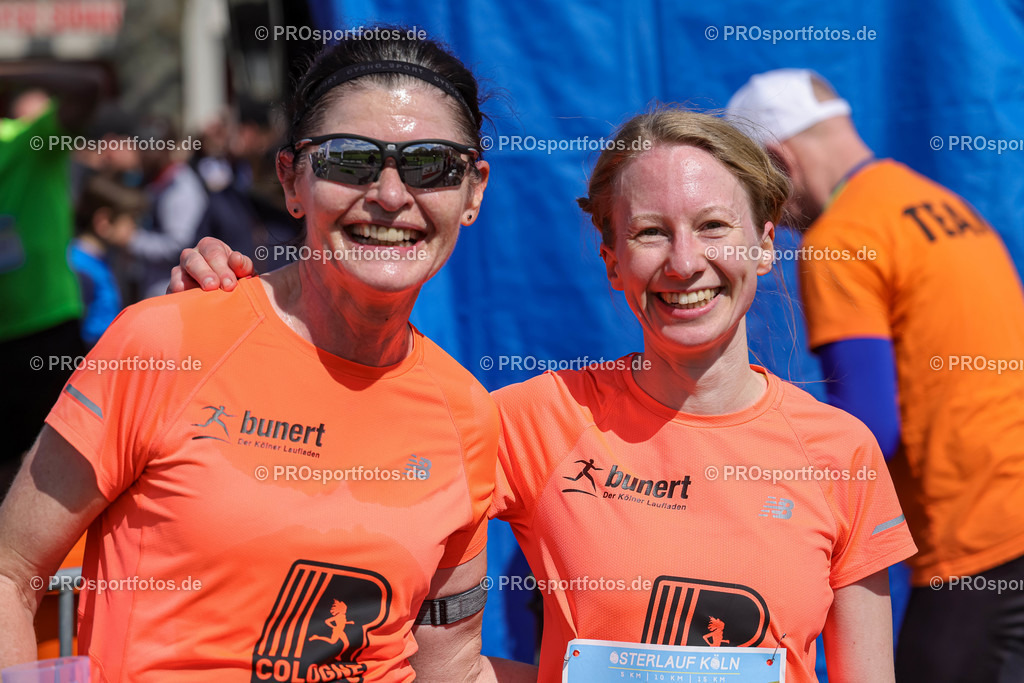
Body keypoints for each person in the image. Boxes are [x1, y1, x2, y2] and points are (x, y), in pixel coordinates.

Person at [172, 106, 917, 682]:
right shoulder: (543, 417)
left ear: (761, 239)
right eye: (651, 232)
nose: (685, 263)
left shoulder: (841, 452)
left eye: (714, 226)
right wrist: (257, 313)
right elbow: (352, 458)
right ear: (612, 261)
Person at [0, 31, 536, 682]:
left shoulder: (466, 413)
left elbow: (447, 666)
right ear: (291, 179)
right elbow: (10, 567)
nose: (392, 195)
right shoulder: (166, 342)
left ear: (473, 191)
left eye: (430, 164)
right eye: (349, 160)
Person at [727, 68, 1024, 682]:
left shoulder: (843, 236)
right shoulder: (940, 204)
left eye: (763, 190)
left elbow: (864, 433)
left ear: (781, 158)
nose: (772, 216)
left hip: (982, 540)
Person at [0, 63, 103, 499]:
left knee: (54, 467)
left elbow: (89, 85)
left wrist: (8, 72)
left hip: (45, 327)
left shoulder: (23, 140)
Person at [70, 174, 145, 347]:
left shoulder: (99, 259)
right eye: (130, 220)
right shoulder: (80, 267)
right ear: (103, 222)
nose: (134, 227)